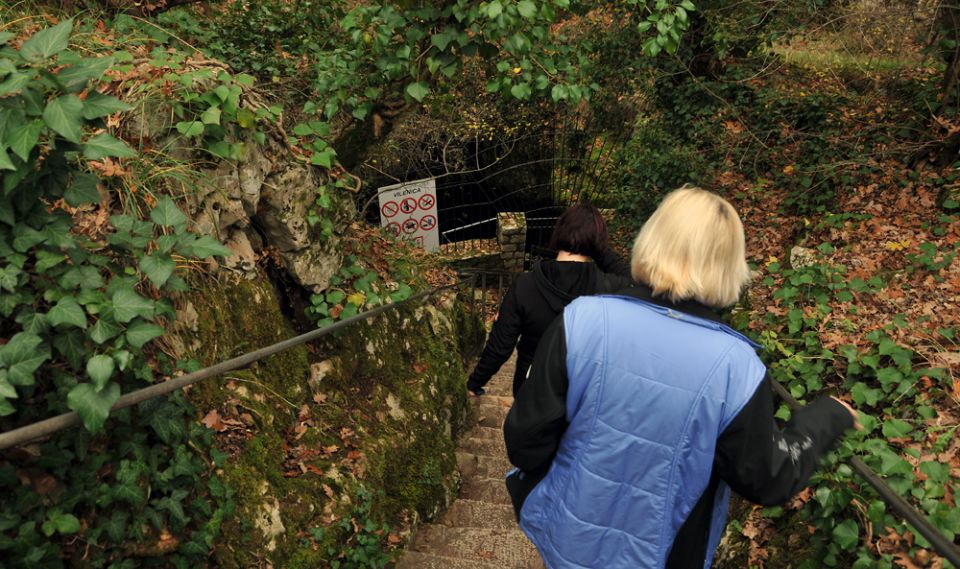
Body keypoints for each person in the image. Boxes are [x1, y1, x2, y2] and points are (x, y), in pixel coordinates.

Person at [503, 186, 860, 569]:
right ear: (729, 265)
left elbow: (525, 441)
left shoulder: (582, 321)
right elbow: (767, 476)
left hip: (570, 538)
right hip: (666, 555)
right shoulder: (737, 367)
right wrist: (826, 418)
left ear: (652, 239)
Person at [466, 204, 632, 397]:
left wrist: (475, 382)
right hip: (579, 387)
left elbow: (501, 346)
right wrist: (595, 246)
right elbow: (634, 280)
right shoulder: (607, 288)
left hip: (531, 383)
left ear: (558, 231)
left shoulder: (524, 286)